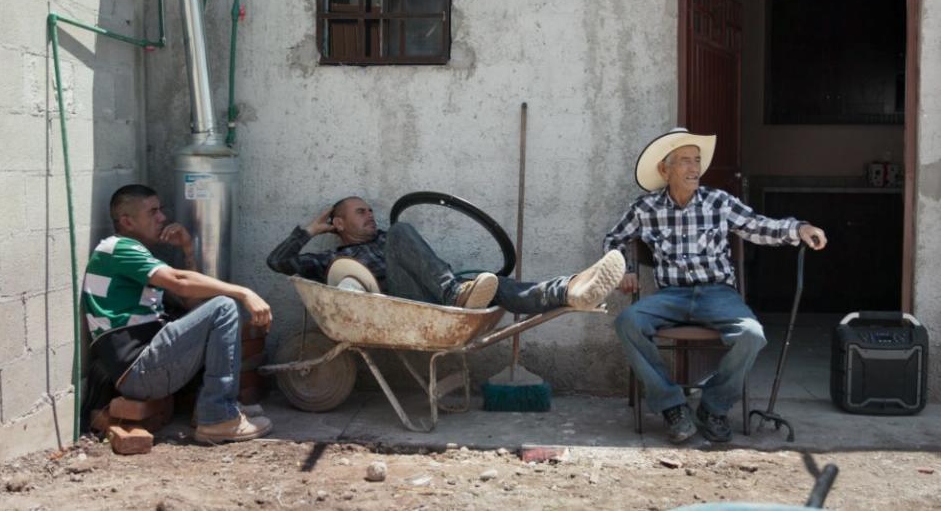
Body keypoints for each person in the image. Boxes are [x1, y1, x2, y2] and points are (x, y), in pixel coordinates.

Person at [603, 128, 827, 443]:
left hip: (717, 294)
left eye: (697, 161)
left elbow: (758, 226)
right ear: (664, 170)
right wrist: (624, 269)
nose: (695, 168)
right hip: (671, 296)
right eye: (685, 161)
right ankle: (672, 407)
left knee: (752, 334)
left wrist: (799, 229)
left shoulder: (718, 202)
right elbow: (614, 239)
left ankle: (713, 407)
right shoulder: (645, 208)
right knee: (628, 322)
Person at [83, 184, 274, 444]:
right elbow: (179, 281)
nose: (162, 217)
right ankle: (217, 417)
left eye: (160, 210)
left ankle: (213, 408)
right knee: (224, 306)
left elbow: (192, 303)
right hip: (139, 368)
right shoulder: (117, 248)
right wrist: (243, 292)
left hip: (148, 364)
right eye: (153, 212)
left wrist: (186, 249)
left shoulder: (135, 256)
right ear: (127, 221)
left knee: (216, 309)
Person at [267, 196, 627, 315]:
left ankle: (570, 291)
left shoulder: (388, 238)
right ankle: (456, 292)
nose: (370, 215)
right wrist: (310, 232)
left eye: (369, 210)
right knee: (403, 231)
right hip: (398, 308)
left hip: (429, 297)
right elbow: (277, 262)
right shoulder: (330, 262)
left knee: (494, 283)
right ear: (339, 223)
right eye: (360, 212)